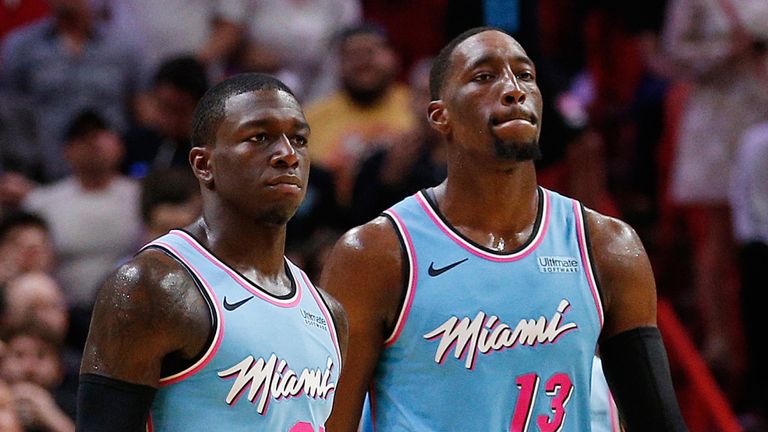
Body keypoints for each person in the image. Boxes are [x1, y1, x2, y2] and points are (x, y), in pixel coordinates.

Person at [321, 27, 687, 431]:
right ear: (439, 116)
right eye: (484, 77)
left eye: (525, 75)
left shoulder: (607, 247)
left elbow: (659, 423)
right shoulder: (376, 253)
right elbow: (331, 422)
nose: (514, 89)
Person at [77, 73, 348, 431]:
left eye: (299, 139)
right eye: (260, 137)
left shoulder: (329, 314)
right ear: (204, 165)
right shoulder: (154, 286)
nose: (287, 154)